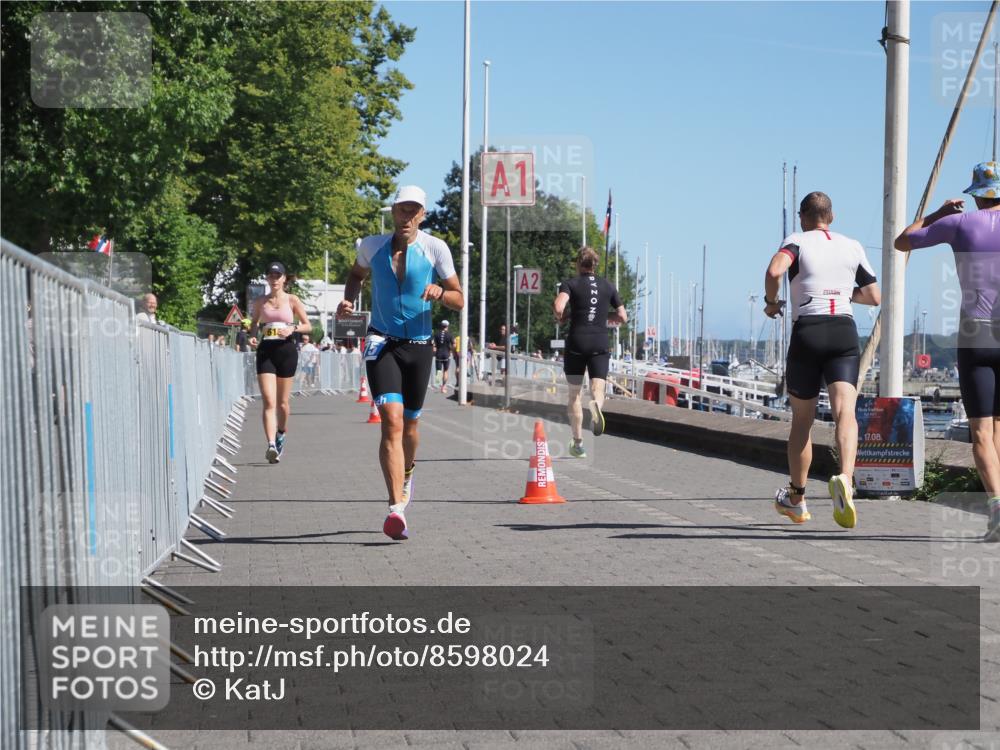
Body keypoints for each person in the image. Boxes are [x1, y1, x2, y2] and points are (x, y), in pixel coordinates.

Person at [337, 185, 463, 540]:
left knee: (410, 425)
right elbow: (356, 275)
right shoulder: (371, 246)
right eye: (401, 209)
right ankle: (395, 509)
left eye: (413, 211)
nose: (406, 217)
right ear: (393, 211)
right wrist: (349, 300)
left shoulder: (435, 248)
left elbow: (460, 298)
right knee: (390, 421)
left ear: (422, 215)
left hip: (419, 347)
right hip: (381, 342)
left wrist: (441, 292)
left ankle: (407, 472)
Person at [895, 161, 1000, 542]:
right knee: (998, 428)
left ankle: (997, 508)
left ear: (976, 193)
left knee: (981, 432)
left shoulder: (959, 223)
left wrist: (937, 213)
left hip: (976, 336)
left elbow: (903, 241)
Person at [765, 191, 881, 527]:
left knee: (802, 421)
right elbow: (874, 295)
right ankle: (846, 477)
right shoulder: (852, 245)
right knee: (846, 412)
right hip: (844, 331)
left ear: (803, 216)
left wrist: (771, 303)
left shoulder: (797, 241)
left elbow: (774, 271)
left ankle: (797, 499)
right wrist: (843, 292)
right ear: (831, 216)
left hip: (809, 331)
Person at [553, 247, 628, 458]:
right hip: (599, 342)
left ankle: (578, 443)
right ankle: (596, 406)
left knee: (574, 394)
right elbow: (623, 317)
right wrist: (603, 315)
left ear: (578, 263)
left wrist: (563, 317)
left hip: (577, 341)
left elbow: (559, 307)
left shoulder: (570, 283)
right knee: (598, 387)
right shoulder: (608, 285)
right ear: (595, 264)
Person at [249, 261, 312, 464]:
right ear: (267, 278)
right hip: (266, 350)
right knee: (269, 401)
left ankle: (281, 433)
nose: (274, 279)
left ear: (284, 278)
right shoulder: (260, 302)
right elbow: (254, 323)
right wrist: (252, 336)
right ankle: (271, 445)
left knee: (282, 403)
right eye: (271, 275)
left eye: (278, 276)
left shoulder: (292, 300)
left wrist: (293, 328)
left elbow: (308, 325)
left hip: (286, 350)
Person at [433, 319, 454, 393]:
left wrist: (435, 351)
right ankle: (443, 387)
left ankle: (438, 384)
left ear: (441, 326)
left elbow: (434, 346)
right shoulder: (450, 334)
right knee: (445, 371)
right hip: (446, 354)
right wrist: (451, 350)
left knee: (438, 371)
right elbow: (454, 344)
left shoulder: (436, 334)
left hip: (438, 354)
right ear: (447, 326)